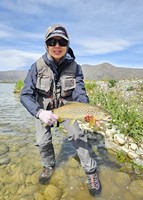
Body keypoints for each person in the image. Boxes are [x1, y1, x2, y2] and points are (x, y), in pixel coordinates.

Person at [20, 24, 101, 197]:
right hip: (44, 111)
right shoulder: (36, 66)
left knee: (78, 135)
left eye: (62, 41)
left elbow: (80, 93)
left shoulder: (75, 67)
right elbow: (25, 95)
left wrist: (85, 110)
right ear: (46, 45)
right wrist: (40, 112)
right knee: (42, 141)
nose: (57, 46)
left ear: (67, 44)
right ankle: (49, 166)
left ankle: (91, 171)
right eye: (52, 41)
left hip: (68, 111)